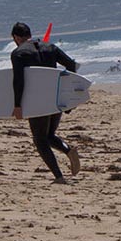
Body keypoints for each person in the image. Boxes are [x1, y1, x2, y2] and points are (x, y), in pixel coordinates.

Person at [10, 22, 80, 184]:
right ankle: (68, 151)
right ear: (29, 34)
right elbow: (71, 64)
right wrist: (69, 93)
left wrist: (17, 105)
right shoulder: (50, 47)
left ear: (16, 38)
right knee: (48, 136)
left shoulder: (18, 53)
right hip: (55, 97)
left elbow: (18, 80)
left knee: (40, 139)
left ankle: (59, 177)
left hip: (37, 100)